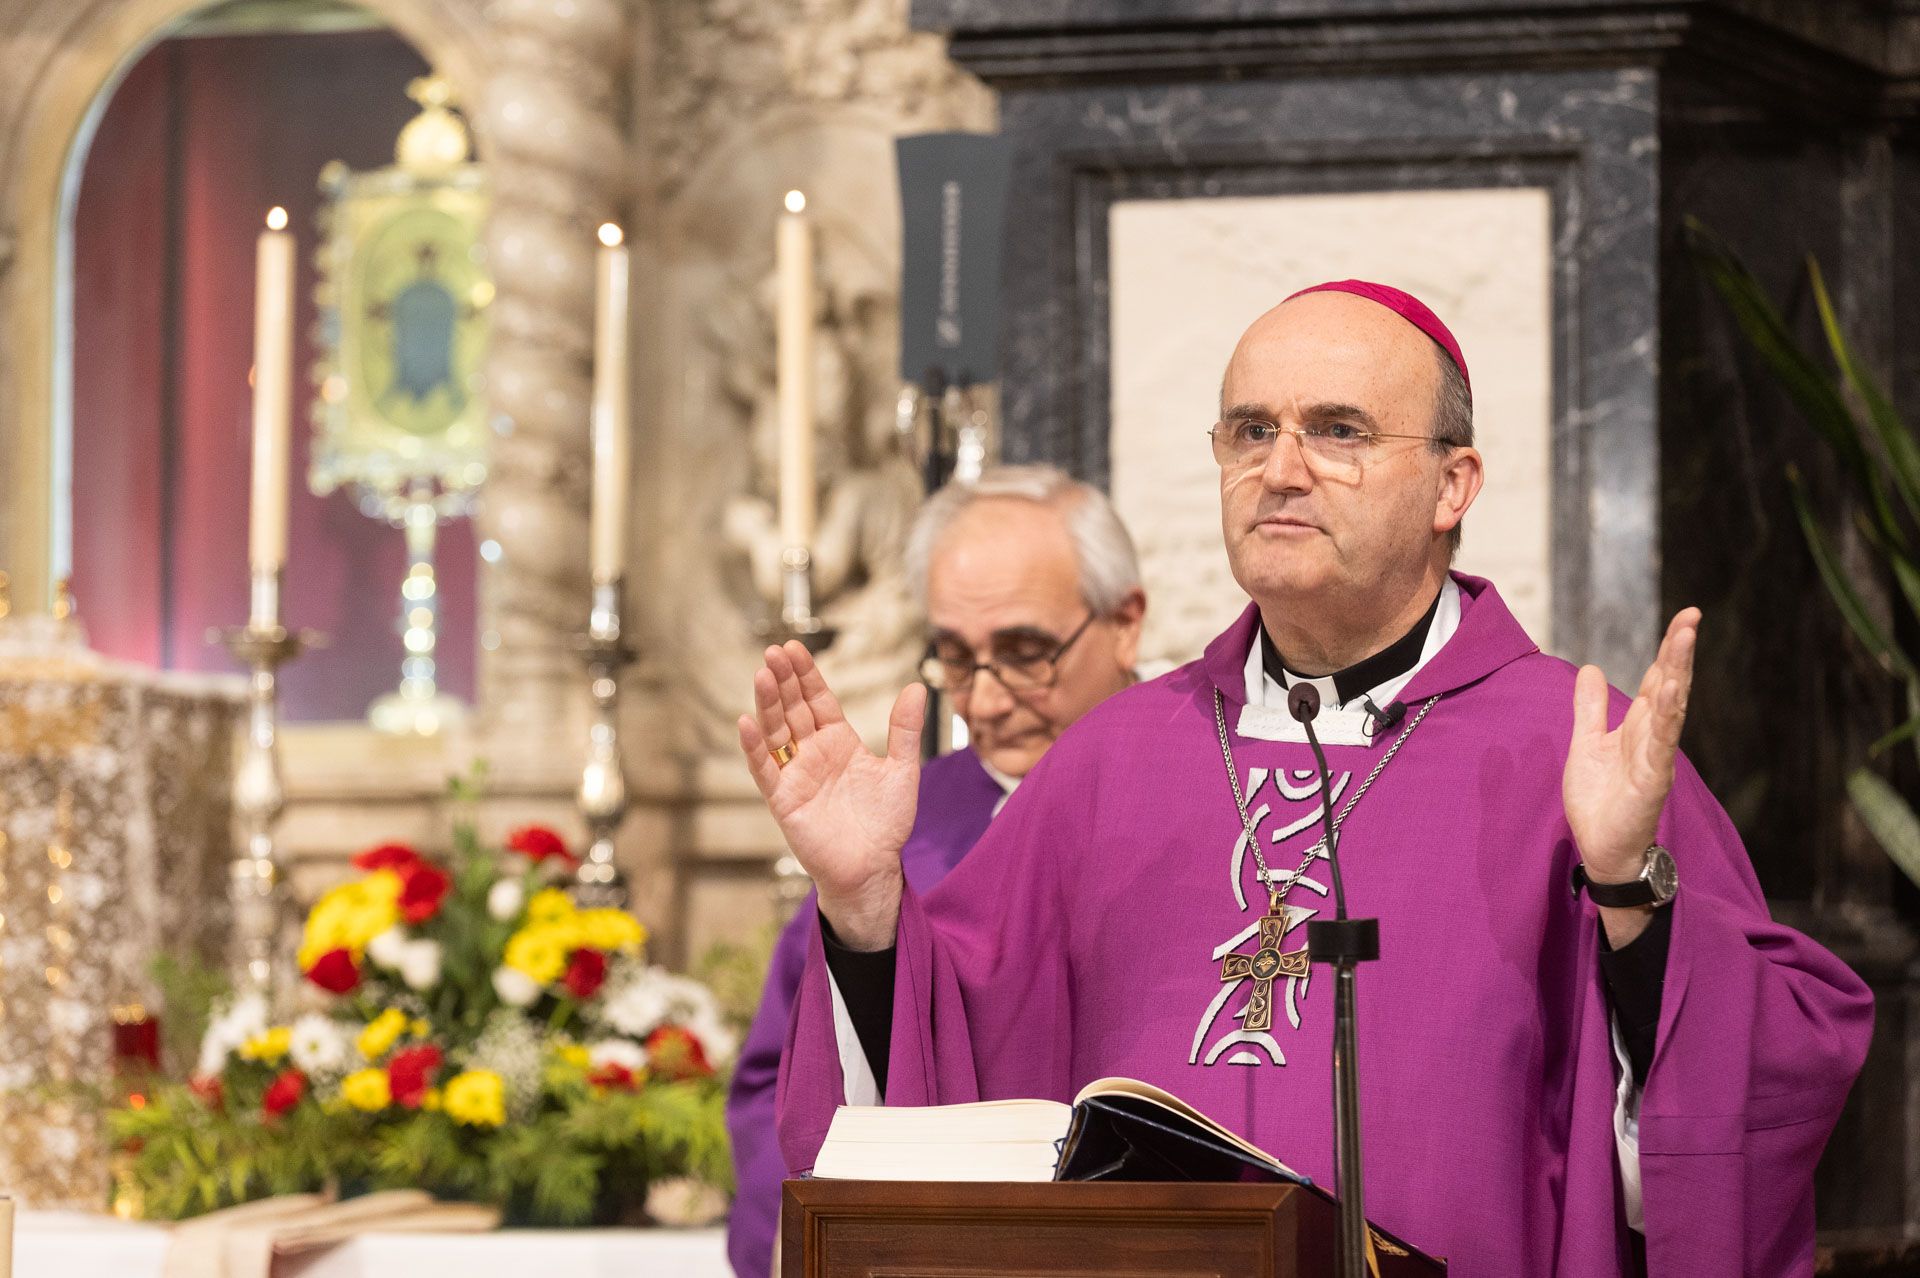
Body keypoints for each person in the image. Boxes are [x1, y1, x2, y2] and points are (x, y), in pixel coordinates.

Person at [737, 281, 1874, 1275]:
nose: (1280, 470)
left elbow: (1753, 1095)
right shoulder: (1113, 759)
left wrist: (1631, 891)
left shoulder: (1575, 753)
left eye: (1337, 431)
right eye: (1249, 431)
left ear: (1452, 484)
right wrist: (868, 909)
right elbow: (953, 1079)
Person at [724, 464, 1148, 1278]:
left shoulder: (1207, 802)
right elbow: (778, 1090)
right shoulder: (896, 835)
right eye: (956, 658)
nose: (983, 703)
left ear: (1124, 622)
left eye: (1025, 654)